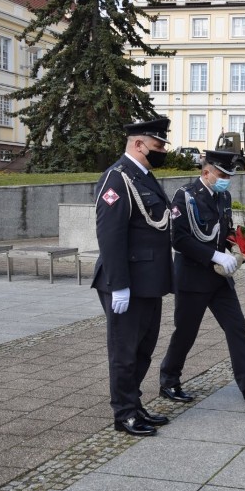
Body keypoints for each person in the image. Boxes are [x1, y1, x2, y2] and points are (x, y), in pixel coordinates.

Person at [158, 149, 245, 403]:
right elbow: (179, 239)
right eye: (222, 174)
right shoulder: (185, 197)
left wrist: (244, 245)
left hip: (219, 277)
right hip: (192, 277)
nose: (226, 179)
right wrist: (214, 256)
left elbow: (223, 230)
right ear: (206, 172)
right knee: (186, 332)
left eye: (229, 175)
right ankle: (169, 381)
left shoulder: (223, 195)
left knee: (236, 325)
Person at [92, 117, 174, 437]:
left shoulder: (144, 176)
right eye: (157, 146)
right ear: (138, 144)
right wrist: (119, 285)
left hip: (150, 281)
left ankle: (134, 403)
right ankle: (123, 412)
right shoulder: (117, 179)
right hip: (127, 282)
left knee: (143, 349)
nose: (162, 151)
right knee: (124, 352)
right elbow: (110, 236)